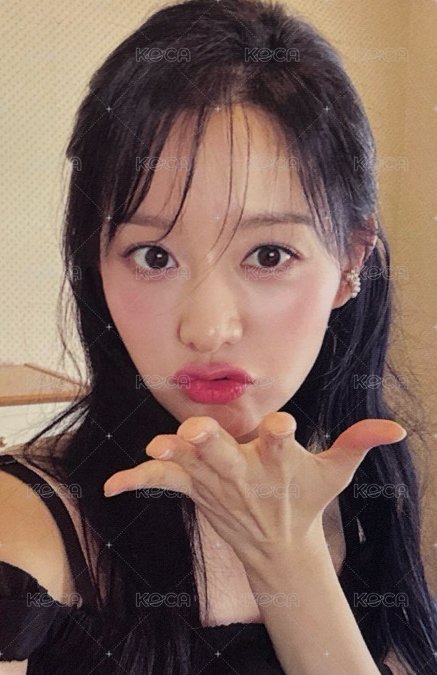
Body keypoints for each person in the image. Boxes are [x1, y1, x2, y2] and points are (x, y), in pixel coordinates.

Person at [0, 0, 436, 672]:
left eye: (268, 255)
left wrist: (284, 553)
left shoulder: (363, 495)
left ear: (351, 258)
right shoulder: (27, 530)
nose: (206, 329)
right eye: (153, 256)